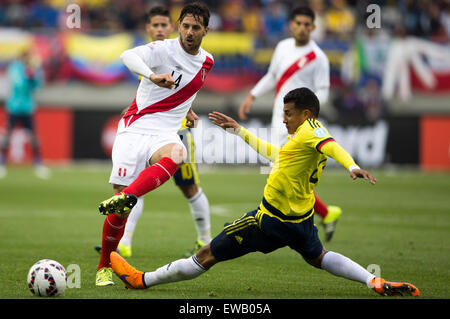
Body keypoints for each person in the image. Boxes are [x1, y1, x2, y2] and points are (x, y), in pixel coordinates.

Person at [109, 87, 420, 297]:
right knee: (319, 256)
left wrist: (352, 166)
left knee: (206, 255)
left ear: (307, 113)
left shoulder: (312, 131)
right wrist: (239, 130)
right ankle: (373, 280)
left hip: (268, 221)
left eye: (288, 113)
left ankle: (141, 280)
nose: (283, 118)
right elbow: (276, 155)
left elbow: (333, 147)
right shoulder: (304, 136)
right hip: (301, 221)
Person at [95, 2, 214, 287]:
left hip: (164, 133)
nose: (189, 32)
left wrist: (186, 108)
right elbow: (127, 55)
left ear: (205, 31)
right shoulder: (162, 48)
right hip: (134, 129)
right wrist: (152, 76)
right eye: (185, 26)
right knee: (118, 212)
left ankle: (130, 195)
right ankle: (103, 268)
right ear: (178, 26)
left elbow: (186, 87)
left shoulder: (208, 61)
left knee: (178, 153)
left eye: (195, 28)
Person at [238, 6, 341, 241]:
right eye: (299, 23)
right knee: (283, 169)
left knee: (281, 167)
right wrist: (252, 95)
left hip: (299, 125)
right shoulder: (283, 47)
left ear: (313, 27)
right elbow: (273, 76)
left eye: (307, 24)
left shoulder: (319, 58)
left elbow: (323, 92)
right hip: (279, 117)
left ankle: (270, 217)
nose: (303, 28)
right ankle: (325, 213)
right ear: (291, 25)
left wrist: (309, 112)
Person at [0, 49, 50, 179]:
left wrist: (33, 75)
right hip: (14, 108)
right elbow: (18, 85)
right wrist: (27, 74)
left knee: (34, 136)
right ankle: (2, 163)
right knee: (8, 135)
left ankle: (38, 164)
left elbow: (38, 86)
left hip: (28, 108)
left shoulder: (32, 69)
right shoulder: (15, 68)